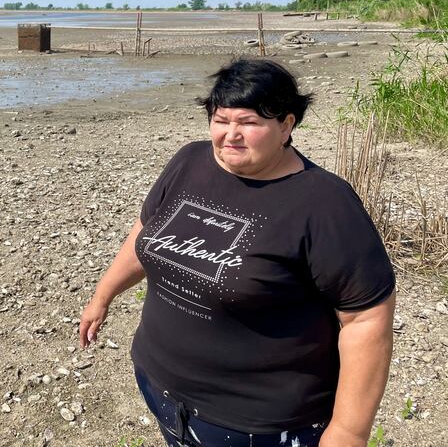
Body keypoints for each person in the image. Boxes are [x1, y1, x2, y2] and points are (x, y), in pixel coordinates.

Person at [79, 59, 395, 447]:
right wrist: (102, 295)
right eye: (220, 119)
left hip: (257, 423)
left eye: (248, 122)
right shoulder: (189, 162)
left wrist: (348, 432)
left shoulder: (324, 203)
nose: (231, 135)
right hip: (159, 385)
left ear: (287, 125)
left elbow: (366, 319)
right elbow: (145, 233)